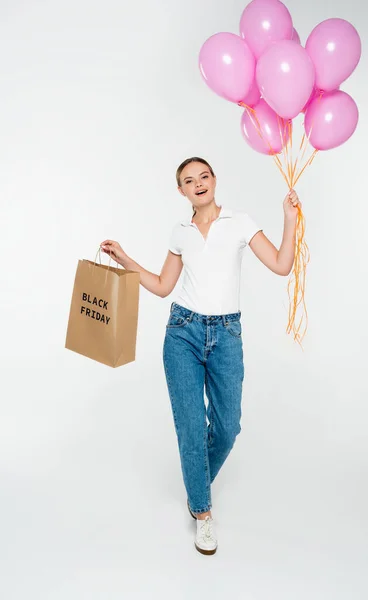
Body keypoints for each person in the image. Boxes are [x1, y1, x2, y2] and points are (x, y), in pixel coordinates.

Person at [100, 157, 300, 556]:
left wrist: (290, 218)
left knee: (227, 428)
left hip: (226, 334)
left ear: (213, 180)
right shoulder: (180, 232)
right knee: (191, 430)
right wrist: (123, 258)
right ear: (181, 191)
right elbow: (161, 286)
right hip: (182, 334)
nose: (198, 184)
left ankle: (195, 483)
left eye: (203, 177)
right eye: (188, 181)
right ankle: (203, 513)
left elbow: (282, 265)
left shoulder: (240, 222)